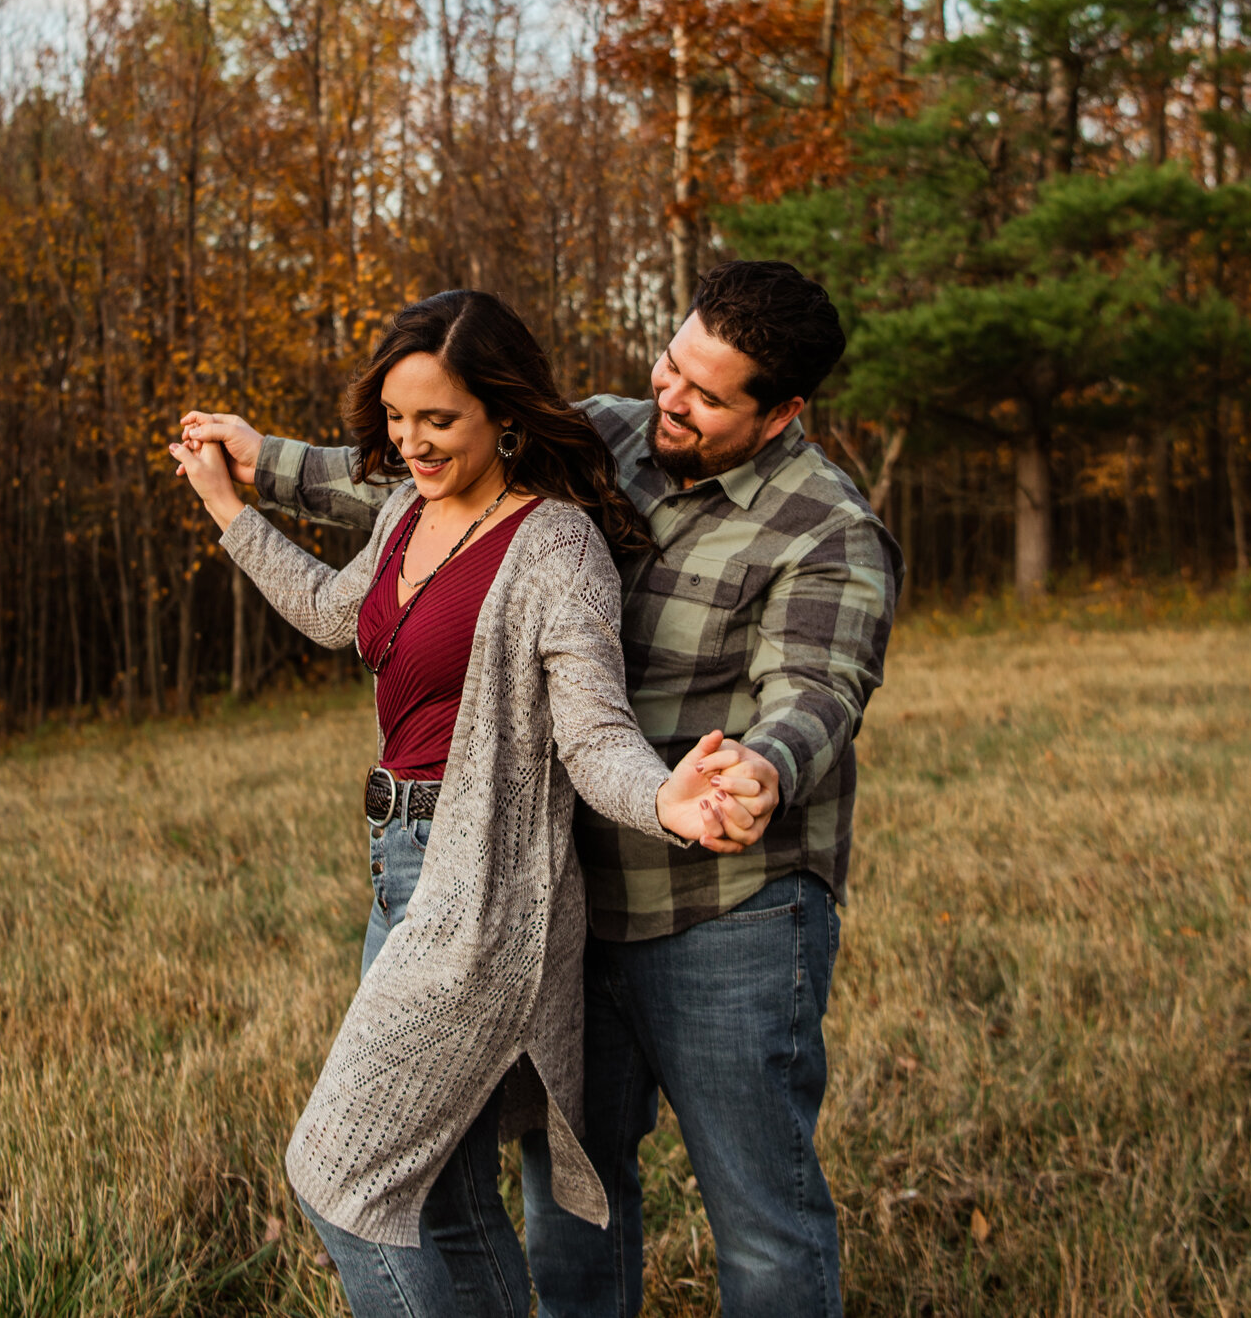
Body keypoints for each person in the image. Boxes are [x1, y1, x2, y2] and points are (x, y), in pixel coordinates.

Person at [184, 259, 902, 1318]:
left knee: (760, 1214)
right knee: (573, 1189)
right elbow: (428, 474)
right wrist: (265, 464)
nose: (671, 399)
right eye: (671, 365)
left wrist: (758, 766)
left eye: (707, 396)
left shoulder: (826, 530)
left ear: (783, 410)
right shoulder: (606, 433)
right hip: (562, 894)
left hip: (722, 908)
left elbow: (818, 688)